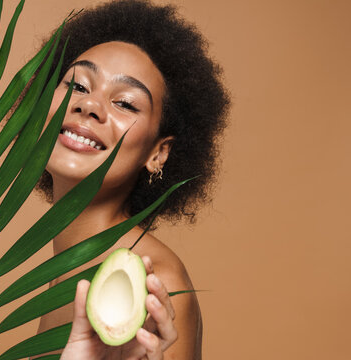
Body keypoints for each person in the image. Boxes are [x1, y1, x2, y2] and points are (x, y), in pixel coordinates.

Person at [31, 0, 229, 358]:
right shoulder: (65, 267)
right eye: (77, 85)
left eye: (125, 103)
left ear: (158, 153)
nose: (89, 105)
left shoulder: (152, 286)